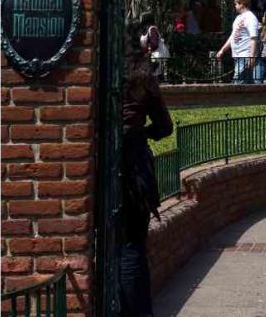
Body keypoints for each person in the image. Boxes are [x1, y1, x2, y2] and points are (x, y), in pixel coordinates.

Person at [118, 22, 173, 317]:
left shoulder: (102, 73)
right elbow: (165, 126)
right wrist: (143, 134)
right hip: (135, 166)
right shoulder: (143, 77)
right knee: (132, 245)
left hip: (105, 164)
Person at [216, 0, 260, 84]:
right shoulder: (238, 18)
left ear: (242, 4)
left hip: (245, 55)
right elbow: (232, 36)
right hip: (237, 55)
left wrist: (251, 57)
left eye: (236, 4)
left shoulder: (250, 18)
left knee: (238, 82)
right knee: (246, 83)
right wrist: (222, 50)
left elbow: (254, 38)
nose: (235, 6)